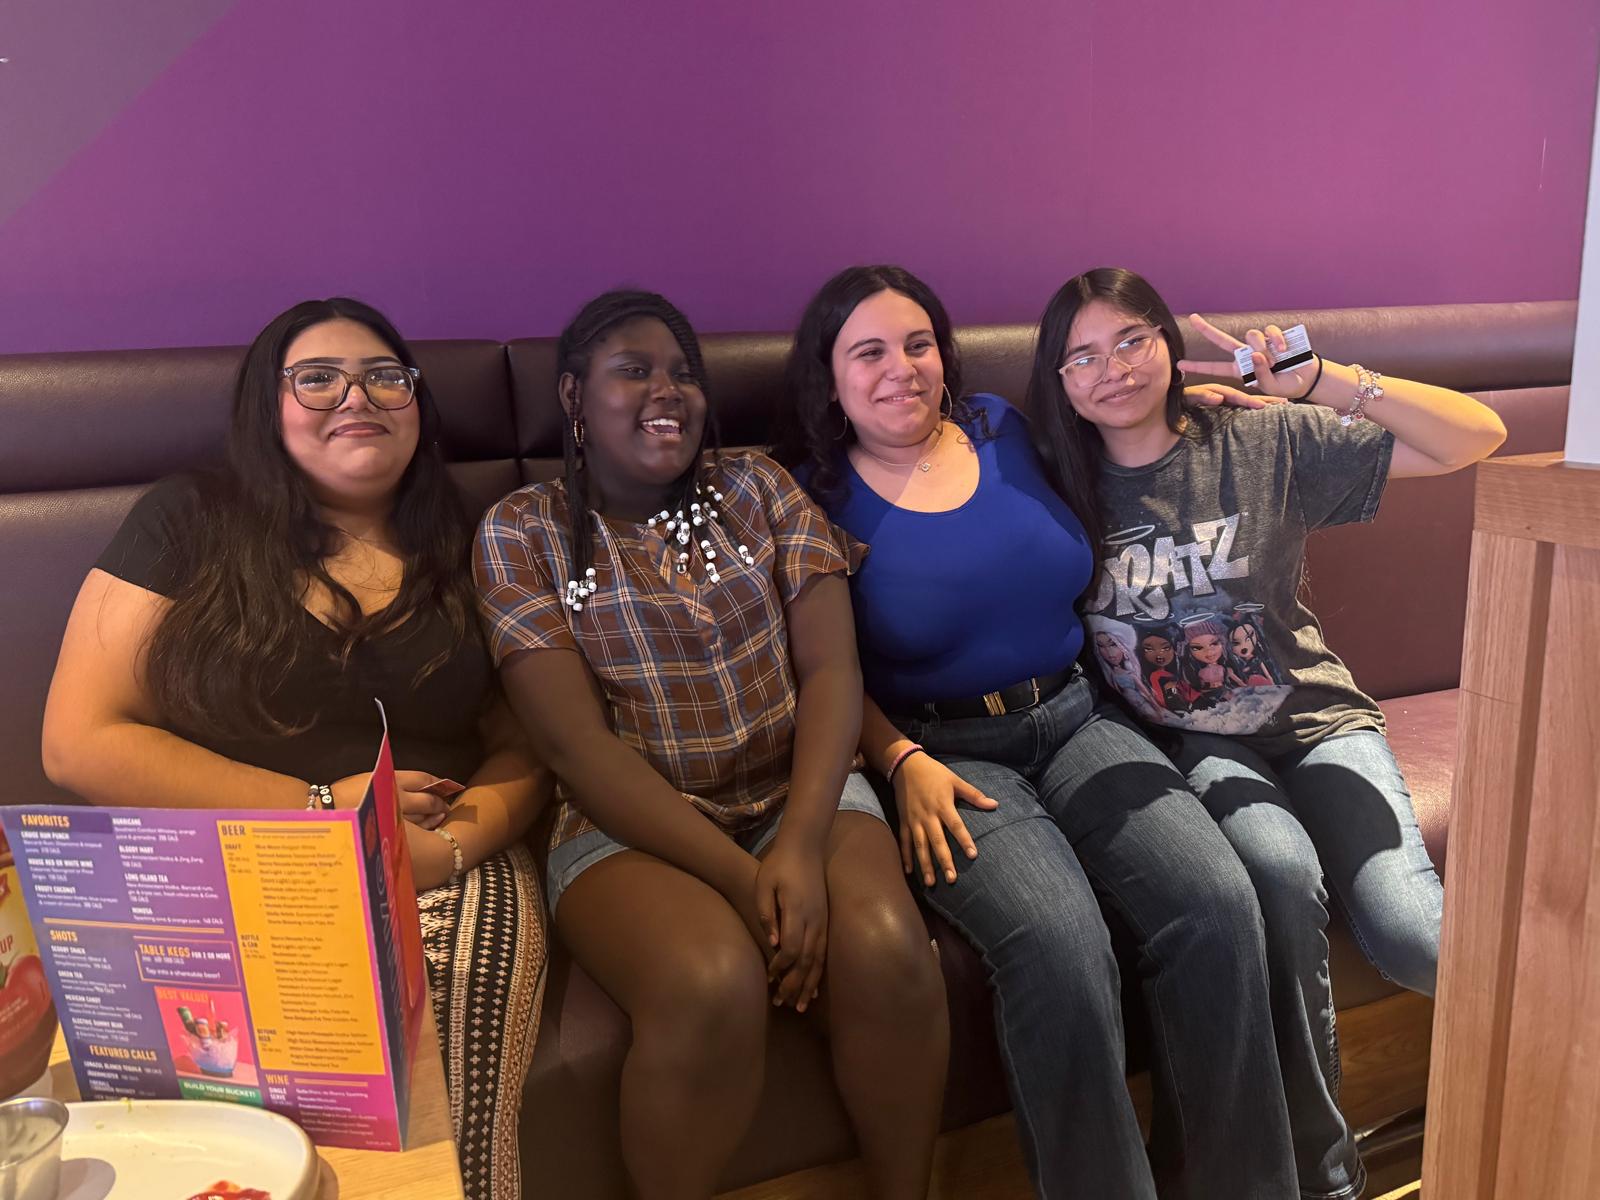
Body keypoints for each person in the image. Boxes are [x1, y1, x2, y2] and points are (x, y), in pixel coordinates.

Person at [775, 264, 1296, 1200]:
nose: (901, 369)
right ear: (830, 376)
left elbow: (1127, 443)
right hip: (948, 757)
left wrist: (1198, 417)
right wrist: (898, 761)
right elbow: (817, 669)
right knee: (1060, 945)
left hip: (1079, 715)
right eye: (869, 352)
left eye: (918, 344)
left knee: (1218, 901)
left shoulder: (1001, 426)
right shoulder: (811, 495)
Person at [40, 298, 550, 1200]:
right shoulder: (190, 517)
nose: (357, 397)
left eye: (386, 377)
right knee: (214, 1137)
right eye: (317, 379)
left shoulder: (472, 535)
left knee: (438, 1121)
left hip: (439, 858)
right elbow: (80, 741)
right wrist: (320, 812)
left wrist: (442, 850)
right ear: (266, 405)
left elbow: (529, 744)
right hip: (219, 857)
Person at [1025, 266, 1507, 1199]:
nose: (1112, 369)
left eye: (1130, 340)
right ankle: (1327, 1178)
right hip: (1197, 743)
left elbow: (1476, 436)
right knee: (1277, 876)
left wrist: (1320, 379)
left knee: (1415, 934)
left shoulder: (1258, 437)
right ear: (1058, 381)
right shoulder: (1051, 485)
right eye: (1081, 357)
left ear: (1167, 343)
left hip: (1317, 720)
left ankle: (1555, 1067)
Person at [473, 290, 947, 1200]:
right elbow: (576, 750)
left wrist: (797, 849)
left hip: (797, 789)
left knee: (889, 949)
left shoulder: (758, 488)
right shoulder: (521, 531)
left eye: (684, 374)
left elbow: (832, 672)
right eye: (635, 371)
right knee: (710, 982)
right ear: (574, 398)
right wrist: (745, 881)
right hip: (625, 824)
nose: (668, 391)